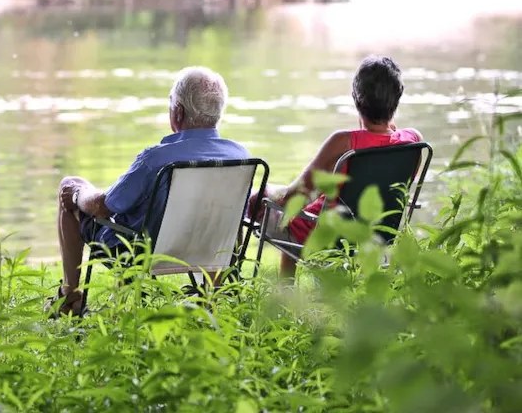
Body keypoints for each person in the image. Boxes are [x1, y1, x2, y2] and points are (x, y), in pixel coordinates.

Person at [48, 66, 249, 316]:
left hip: (145, 255)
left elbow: (103, 206)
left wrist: (78, 192)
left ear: (178, 111)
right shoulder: (241, 158)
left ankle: (69, 298)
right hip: (213, 250)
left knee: (71, 193)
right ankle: (207, 299)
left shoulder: (155, 160)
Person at [250, 55, 423, 278]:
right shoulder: (415, 141)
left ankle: (285, 296)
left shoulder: (343, 142)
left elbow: (294, 196)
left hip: (327, 237)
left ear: (355, 98)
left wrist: (264, 194)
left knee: (267, 206)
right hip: (378, 236)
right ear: (398, 97)